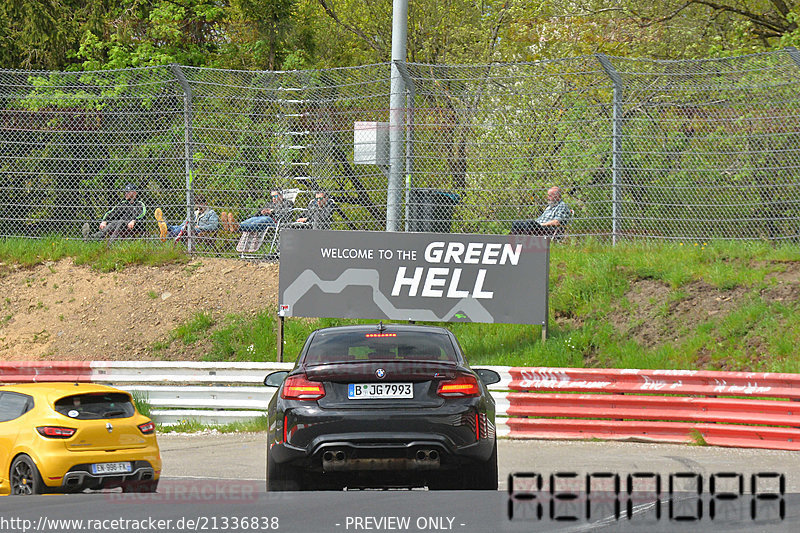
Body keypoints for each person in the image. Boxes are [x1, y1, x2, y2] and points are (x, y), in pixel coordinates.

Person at [82, 183, 147, 242]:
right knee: (113, 223)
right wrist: (104, 221)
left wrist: (133, 221)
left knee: (120, 222)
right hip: (121, 224)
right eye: (125, 192)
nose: (126, 194)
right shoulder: (123, 204)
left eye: (128, 192)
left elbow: (142, 214)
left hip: (135, 225)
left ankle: (110, 242)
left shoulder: (139, 204)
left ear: (135, 193)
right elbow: (112, 212)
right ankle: (92, 238)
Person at [223, 189, 294, 233]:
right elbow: (256, 214)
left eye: (275, 196)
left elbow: (286, 214)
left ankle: (238, 227)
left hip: (274, 221)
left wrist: (272, 211)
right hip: (262, 218)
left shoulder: (288, 203)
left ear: (281, 196)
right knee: (254, 219)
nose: (273, 198)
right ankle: (232, 226)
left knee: (264, 219)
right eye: (272, 196)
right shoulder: (269, 204)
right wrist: (261, 212)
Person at [155, 194, 219, 242]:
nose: (199, 207)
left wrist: (200, 227)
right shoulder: (195, 212)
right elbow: (185, 223)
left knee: (183, 228)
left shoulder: (211, 213)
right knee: (179, 227)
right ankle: (164, 225)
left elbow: (214, 226)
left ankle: (166, 234)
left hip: (198, 230)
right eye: (197, 204)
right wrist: (183, 226)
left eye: (201, 204)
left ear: (205, 203)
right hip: (186, 228)